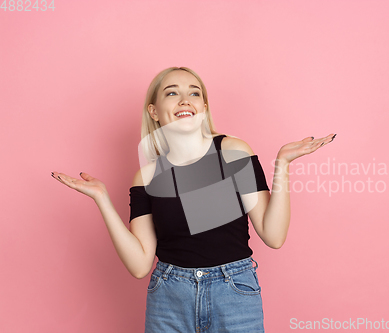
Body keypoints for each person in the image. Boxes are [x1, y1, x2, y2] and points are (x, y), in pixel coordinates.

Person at [51, 66, 336, 332]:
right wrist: (102, 199)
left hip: (234, 292)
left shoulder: (233, 151)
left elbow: (273, 236)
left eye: (195, 93)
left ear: (204, 108)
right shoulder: (147, 177)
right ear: (154, 111)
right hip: (168, 296)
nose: (185, 100)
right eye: (172, 92)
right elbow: (139, 265)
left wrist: (282, 165)